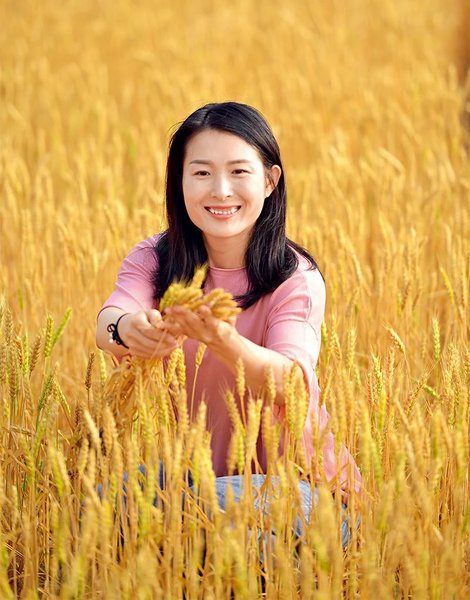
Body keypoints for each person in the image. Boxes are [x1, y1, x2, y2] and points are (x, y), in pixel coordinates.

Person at [96, 102, 361, 546]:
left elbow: (291, 382)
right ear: (179, 181)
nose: (220, 191)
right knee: (98, 508)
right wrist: (127, 330)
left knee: (198, 525)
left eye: (239, 172)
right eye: (201, 173)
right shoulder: (154, 258)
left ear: (270, 181)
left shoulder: (294, 277)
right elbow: (108, 319)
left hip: (305, 492)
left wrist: (221, 338)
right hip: (203, 476)